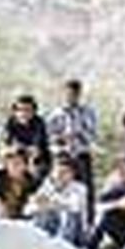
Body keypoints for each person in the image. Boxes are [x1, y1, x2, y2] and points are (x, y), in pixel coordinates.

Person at [46, 79, 99, 211]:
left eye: (74, 93)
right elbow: (49, 136)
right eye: (68, 93)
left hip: (81, 154)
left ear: (79, 94)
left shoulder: (87, 112)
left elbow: (92, 135)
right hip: (62, 156)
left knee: (86, 189)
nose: (71, 96)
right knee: (60, 189)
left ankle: (87, 222)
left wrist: (79, 134)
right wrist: (60, 138)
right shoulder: (55, 114)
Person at [25, 153, 89, 245]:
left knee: (66, 215)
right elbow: (28, 210)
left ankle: (63, 244)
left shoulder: (79, 188)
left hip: (74, 229)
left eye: (65, 172)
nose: (60, 175)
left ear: (72, 174)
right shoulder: (46, 185)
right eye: (58, 172)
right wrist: (37, 204)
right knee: (41, 215)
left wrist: (51, 203)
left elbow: (74, 206)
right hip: (50, 225)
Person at [0, 145, 39, 220]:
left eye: (17, 164)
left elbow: (33, 197)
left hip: (20, 214)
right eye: (10, 163)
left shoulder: (30, 180)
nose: (13, 167)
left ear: (25, 166)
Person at [3, 95, 51, 179]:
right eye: (20, 110)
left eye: (27, 110)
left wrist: (28, 161)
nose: (23, 113)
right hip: (17, 154)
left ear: (33, 111)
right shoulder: (11, 122)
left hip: (37, 156)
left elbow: (37, 148)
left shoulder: (39, 123)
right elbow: (7, 143)